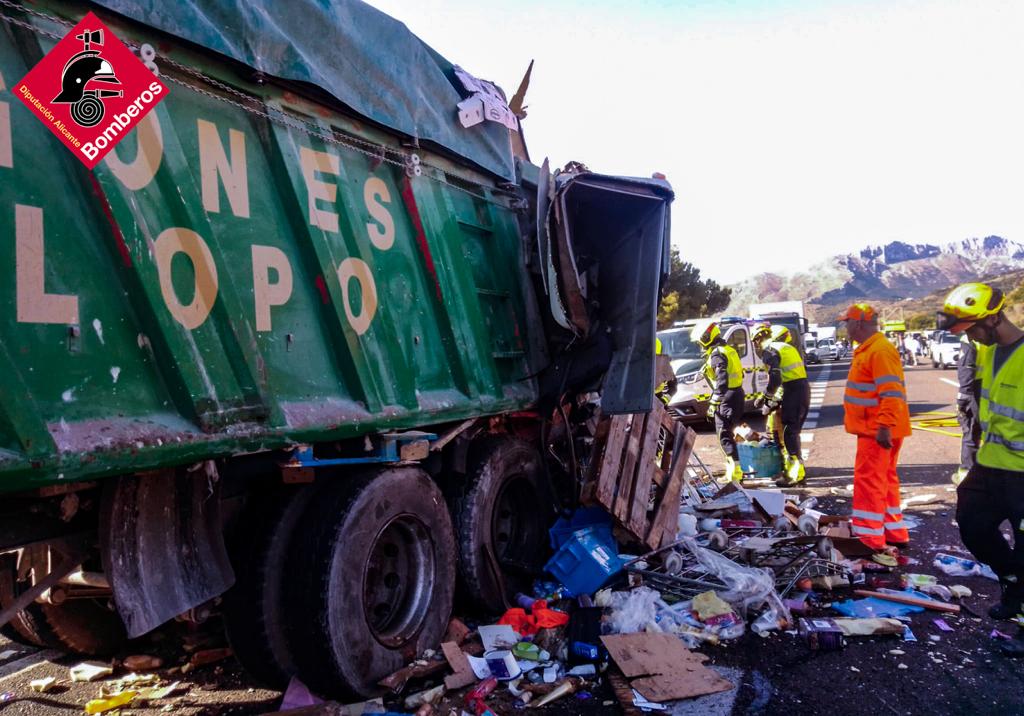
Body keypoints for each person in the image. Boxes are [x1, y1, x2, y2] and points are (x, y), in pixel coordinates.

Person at [936, 283, 1024, 656]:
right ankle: (1014, 583)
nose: (969, 336)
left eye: (971, 328)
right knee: (971, 523)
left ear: (993, 318)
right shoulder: (988, 351)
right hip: (992, 464)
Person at [837, 304, 911, 553]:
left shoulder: (878, 351)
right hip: (879, 428)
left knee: (869, 482)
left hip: (876, 430)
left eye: (846, 322)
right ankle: (894, 532)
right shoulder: (873, 349)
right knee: (885, 480)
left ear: (857, 323)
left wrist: (884, 426)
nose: (845, 327)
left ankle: (869, 538)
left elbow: (892, 393)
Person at [752, 324, 810, 486]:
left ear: (757, 340)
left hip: (793, 392)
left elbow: (776, 379)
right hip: (800, 389)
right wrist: (768, 399)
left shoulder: (769, 350)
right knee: (791, 433)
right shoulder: (786, 347)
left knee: (789, 434)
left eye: (755, 342)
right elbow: (787, 378)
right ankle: (794, 472)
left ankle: (795, 475)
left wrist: (767, 397)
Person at [693, 320, 745, 482]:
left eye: (700, 342)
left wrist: (713, 403)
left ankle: (735, 475)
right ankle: (734, 472)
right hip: (736, 394)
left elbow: (722, 380)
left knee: (724, 435)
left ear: (706, 338)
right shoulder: (728, 349)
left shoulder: (717, 354)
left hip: (727, 397)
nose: (700, 346)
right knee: (728, 434)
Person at [951, 334, 981, 486]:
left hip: (975, 389)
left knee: (970, 431)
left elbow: (967, 368)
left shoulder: (970, 337)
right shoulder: (999, 336)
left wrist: (962, 400)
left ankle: (966, 474)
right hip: (995, 387)